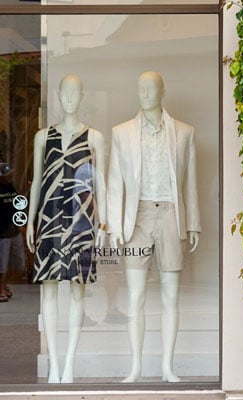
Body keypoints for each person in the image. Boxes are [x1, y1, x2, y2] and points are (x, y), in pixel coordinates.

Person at [107, 71, 200, 383]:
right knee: (135, 296)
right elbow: (114, 182)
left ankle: (167, 367)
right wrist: (115, 224)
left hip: (172, 214)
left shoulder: (184, 132)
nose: (145, 93)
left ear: (163, 91)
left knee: (170, 296)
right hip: (138, 219)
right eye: (141, 88)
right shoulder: (121, 133)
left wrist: (193, 222)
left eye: (151, 88)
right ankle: (135, 368)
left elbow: (190, 183)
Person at [25, 75, 106, 384]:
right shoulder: (42, 137)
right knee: (48, 292)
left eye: (75, 91)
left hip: (83, 221)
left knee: (77, 289)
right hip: (48, 219)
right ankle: (54, 365)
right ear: (58, 96)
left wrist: (102, 221)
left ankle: (69, 364)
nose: (70, 97)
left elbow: (100, 182)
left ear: (82, 95)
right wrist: (31, 221)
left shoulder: (94, 136)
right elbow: (36, 182)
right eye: (65, 92)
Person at [0, 163, 25, 302]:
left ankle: (4, 284)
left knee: (18, 262)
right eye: (7, 175)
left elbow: (16, 203)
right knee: (2, 264)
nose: (10, 177)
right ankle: (1, 287)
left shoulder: (10, 185)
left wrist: (21, 222)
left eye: (10, 174)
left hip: (14, 230)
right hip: (2, 233)